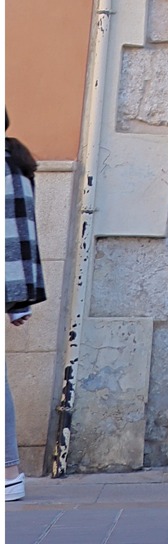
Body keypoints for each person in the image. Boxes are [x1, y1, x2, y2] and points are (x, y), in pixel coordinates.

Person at [6, 120, 46, 503]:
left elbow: (13, 234)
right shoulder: (15, 164)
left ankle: (8, 472)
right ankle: (9, 472)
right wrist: (19, 301)